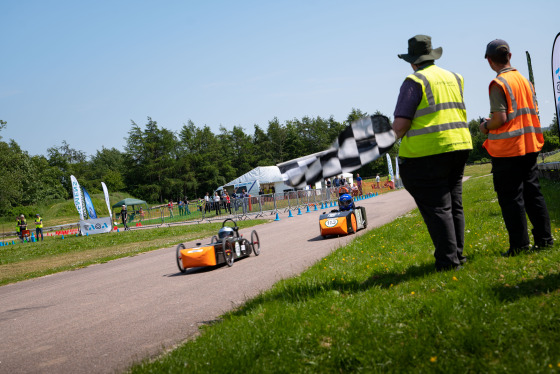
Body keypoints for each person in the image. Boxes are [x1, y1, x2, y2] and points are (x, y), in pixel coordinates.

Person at [392, 35, 472, 271]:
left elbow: (401, 125)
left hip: (428, 152)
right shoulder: (455, 77)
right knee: (454, 204)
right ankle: (457, 255)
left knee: (439, 208)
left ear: (412, 61)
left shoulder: (414, 81)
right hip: (459, 145)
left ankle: (448, 262)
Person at [479, 39, 553, 256]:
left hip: (508, 149)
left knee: (511, 198)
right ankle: (545, 239)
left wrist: (485, 126)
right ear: (509, 55)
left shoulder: (499, 83)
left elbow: (500, 118)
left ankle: (520, 246)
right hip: (530, 145)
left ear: (490, 60)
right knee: (533, 194)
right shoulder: (526, 82)